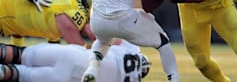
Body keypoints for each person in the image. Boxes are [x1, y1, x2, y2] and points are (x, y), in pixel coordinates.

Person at [0, 40, 151, 82]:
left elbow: (112, 38)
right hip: (71, 79)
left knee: (20, 54)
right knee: (16, 74)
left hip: (75, 56)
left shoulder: (132, 50)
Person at [0, 0, 96, 47]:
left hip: (8, 1)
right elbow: (82, 51)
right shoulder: (74, 15)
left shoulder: (71, 0)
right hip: (4, 10)